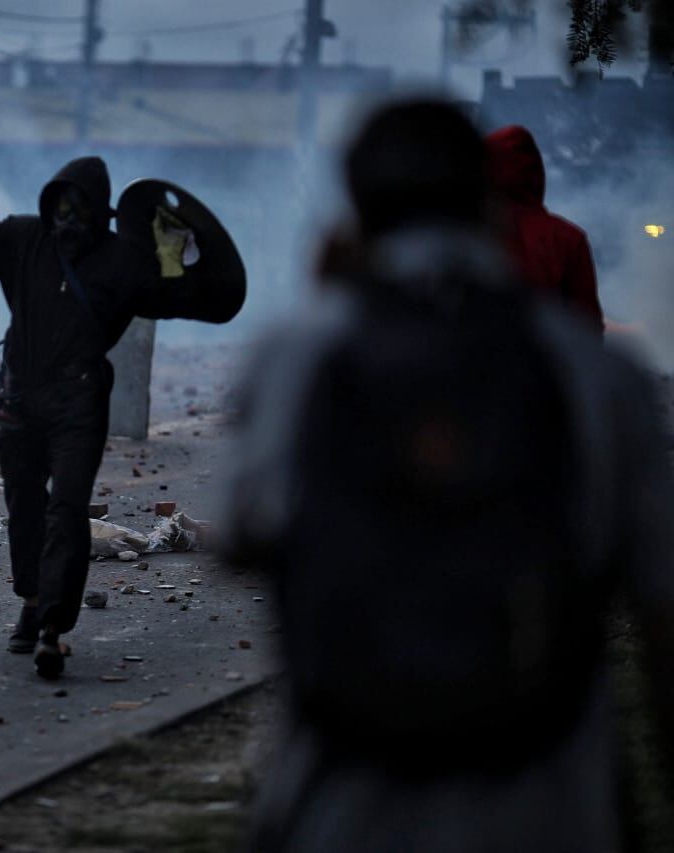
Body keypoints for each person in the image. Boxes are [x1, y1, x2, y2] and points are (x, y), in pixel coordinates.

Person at [223, 100, 674, 852]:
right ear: (487, 206)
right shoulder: (601, 378)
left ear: (356, 213)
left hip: (343, 810)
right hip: (555, 809)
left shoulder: (299, 356)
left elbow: (245, 538)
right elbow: (661, 607)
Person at [0, 150, 230, 678]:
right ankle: (33, 598)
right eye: (59, 205)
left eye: (78, 206)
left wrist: (171, 253)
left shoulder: (121, 260)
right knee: (25, 508)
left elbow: (182, 298)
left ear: (99, 212)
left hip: (78, 406)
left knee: (66, 509)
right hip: (18, 404)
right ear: (49, 204)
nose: (67, 217)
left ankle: (51, 627)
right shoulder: (23, 240)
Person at [485, 125, 604, 335]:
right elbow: (587, 326)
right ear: (536, 172)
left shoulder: (463, 230)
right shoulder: (567, 237)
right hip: (546, 361)